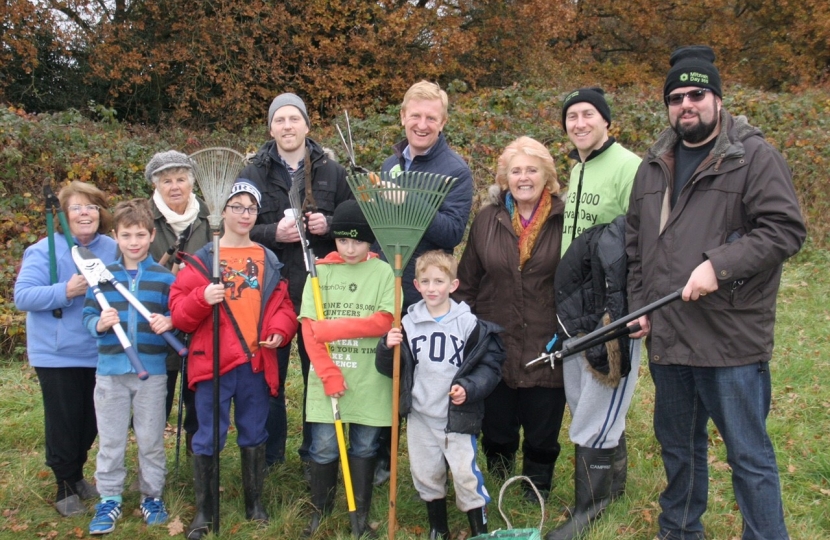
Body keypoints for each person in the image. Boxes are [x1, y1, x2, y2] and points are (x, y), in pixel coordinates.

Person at [626, 45, 805, 540]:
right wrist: (639, 305)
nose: (687, 104)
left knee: (748, 454)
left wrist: (717, 267)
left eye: (697, 94)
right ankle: (680, 532)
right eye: (677, 96)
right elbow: (636, 246)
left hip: (729, 338)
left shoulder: (753, 157)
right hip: (670, 336)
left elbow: (784, 230)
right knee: (679, 450)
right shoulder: (652, 165)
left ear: (718, 100)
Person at [170, 179, 299, 539]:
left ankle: (254, 503)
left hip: (255, 363)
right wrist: (202, 298)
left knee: (254, 432)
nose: (245, 214)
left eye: (251, 208)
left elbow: (283, 307)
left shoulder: (267, 258)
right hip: (212, 362)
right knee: (208, 435)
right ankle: (205, 512)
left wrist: (279, 330)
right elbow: (179, 314)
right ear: (222, 212)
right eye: (237, 207)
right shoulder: (201, 261)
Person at [545, 88, 642, 540]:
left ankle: (593, 507)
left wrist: (633, 307)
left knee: (598, 403)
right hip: (576, 306)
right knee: (581, 396)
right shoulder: (578, 168)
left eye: (588, 115)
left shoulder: (629, 167)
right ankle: (612, 490)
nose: (579, 123)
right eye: (571, 117)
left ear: (607, 121)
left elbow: (643, 241)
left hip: (611, 309)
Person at [242, 92, 353, 470]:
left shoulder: (332, 172)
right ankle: (270, 455)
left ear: (307, 125)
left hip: (320, 290)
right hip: (269, 292)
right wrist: (275, 232)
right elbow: (237, 228)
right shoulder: (253, 172)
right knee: (269, 378)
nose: (287, 126)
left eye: (294, 119)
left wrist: (331, 224)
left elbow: (356, 225)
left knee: (317, 375)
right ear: (271, 127)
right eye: (279, 120)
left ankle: (314, 456)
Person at [455, 136, 566, 499]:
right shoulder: (487, 219)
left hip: (546, 339)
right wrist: (462, 333)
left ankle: (536, 490)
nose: (523, 177)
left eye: (532, 170)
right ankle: (500, 482)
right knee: (498, 426)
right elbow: (468, 280)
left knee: (542, 427)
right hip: (495, 341)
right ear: (504, 178)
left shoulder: (565, 217)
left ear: (547, 176)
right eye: (515, 170)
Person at [375, 79, 474, 485]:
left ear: (443, 121)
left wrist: (409, 200)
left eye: (430, 117)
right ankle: (386, 456)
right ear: (402, 117)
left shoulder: (455, 171)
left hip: (428, 292)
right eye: (414, 115)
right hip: (391, 284)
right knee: (389, 368)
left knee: (430, 376)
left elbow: (451, 232)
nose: (421, 123)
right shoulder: (390, 165)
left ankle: (439, 463)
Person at [376, 251, 505, 539]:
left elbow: (488, 367)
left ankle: (478, 529)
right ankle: (438, 528)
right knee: (426, 473)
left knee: (464, 474)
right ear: (416, 285)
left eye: (439, 281)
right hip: (421, 413)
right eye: (426, 281)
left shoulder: (468, 324)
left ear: (453, 284)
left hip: (456, 415)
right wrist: (387, 346)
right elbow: (389, 369)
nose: (432, 288)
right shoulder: (407, 324)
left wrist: (469, 388)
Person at [14, 181, 117, 517]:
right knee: (65, 420)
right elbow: (23, 297)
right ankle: (65, 486)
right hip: (58, 354)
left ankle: (77, 475)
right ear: (62, 214)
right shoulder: (43, 250)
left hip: (99, 349)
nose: (84, 213)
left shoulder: (111, 248)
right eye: (76, 207)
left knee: (91, 421)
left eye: (91, 207)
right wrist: (65, 290)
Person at [299, 200, 395, 537]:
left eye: (358, 241)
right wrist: (328, 373)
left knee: (366, 445)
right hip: (329, 376)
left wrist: (334, 329)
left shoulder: (383, 272)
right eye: (343, 241)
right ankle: (319, 514)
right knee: (323, 445)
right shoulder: (320, 272)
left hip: (369, 378)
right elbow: (310, 331)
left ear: (370, 242)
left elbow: (384, 320)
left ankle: (360, 516)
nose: (350, 249)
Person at [81, 199, 175, 534]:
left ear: (151, 236)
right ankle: (109, 498)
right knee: (111, 440)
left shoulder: (164, 279)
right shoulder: (102, 278)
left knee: (150, 439)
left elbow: (175, 316)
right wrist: (100, 324)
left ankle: (152, 495)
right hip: (110, 373)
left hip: (152, 373)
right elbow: (88, 317)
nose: (133, 242)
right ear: (116, 237)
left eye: (139, 234)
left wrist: (169, 321)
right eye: (126, 235)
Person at [145, 149, 212, 453]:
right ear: (155, 186)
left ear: (191, 183)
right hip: (154, 322)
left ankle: (197, 460)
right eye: (167, 180)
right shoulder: (144, 218)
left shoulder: (209, 218)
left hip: (199, 322)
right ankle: (150, 462)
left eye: (181, 179)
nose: (175, 186)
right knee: (154, 402)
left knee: (198, 400)